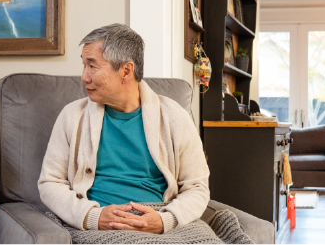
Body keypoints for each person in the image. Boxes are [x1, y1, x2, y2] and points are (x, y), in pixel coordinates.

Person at [38, 24, 210, 234]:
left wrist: (166, 220)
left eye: (92, 66)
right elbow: (50, 183)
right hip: (98, 226)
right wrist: (93, 216)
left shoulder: (175, 117)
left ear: (126, 71)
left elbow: (197, 187)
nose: (84, 76)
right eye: (84, 65)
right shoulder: (72, 116)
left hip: (159, 224)